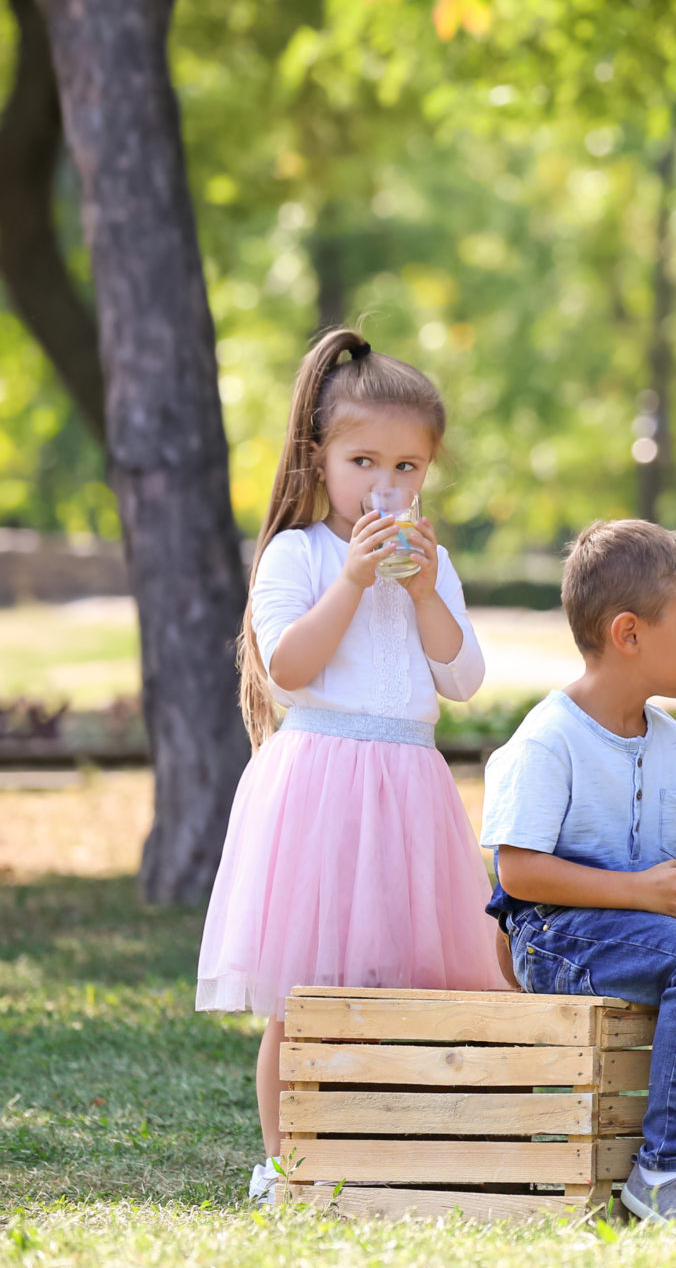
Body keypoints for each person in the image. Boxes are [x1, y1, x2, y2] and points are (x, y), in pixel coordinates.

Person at [196, 328, 507, 1208]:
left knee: (411, 979)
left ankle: (389, 1147)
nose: (387, 483)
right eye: (365, 459)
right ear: (318, 456)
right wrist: (354, 581)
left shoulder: (430, 563)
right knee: (307, 989)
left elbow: (463, 676)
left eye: (409, 467)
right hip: (321, 784)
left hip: (409, 786)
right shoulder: (297, 554)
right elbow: (288, 666)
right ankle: (284, 1157)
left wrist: (418, 590)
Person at [478, 520, 676, 1227]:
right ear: (629, 632)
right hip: (557, 936)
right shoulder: (548, 739)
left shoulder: (673, 744)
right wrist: (641, 891)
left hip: (651, 929)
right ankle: (664, 1166)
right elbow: (519, 870)